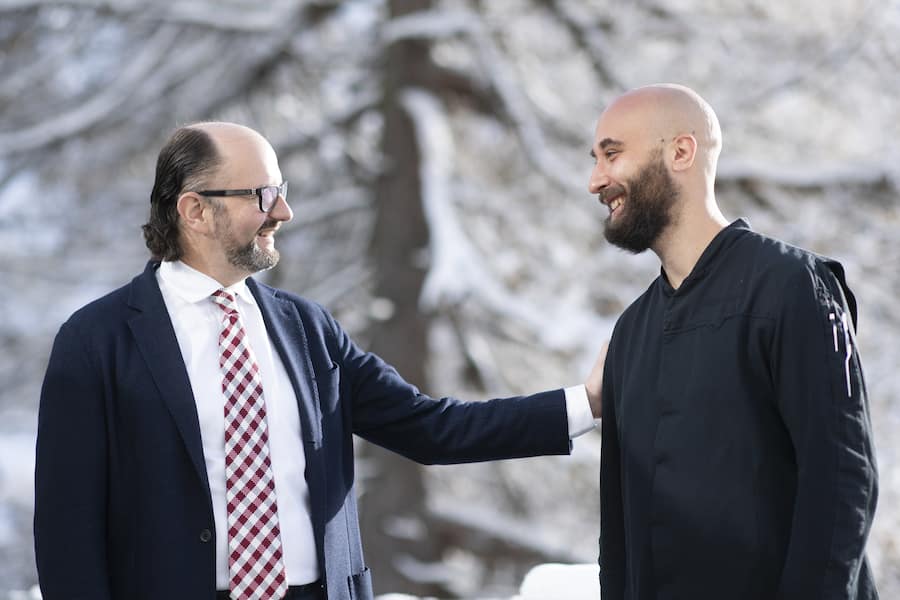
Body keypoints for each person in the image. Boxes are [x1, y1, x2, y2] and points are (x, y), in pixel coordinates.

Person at [34, 122, 606, 600]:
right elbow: (67, 531)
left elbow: (435, 428)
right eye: (262, 194)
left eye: (280, 189)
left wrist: (585, 403)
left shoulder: (308, 330)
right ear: (195, 211)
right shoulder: (96, 341)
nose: (284, 210)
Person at [590, 84, 878, 599]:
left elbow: (841, 482)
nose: (595, 181)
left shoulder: (793, 286)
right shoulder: (630, 333)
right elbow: (618, 529)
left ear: (681, 151)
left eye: (612, 154)